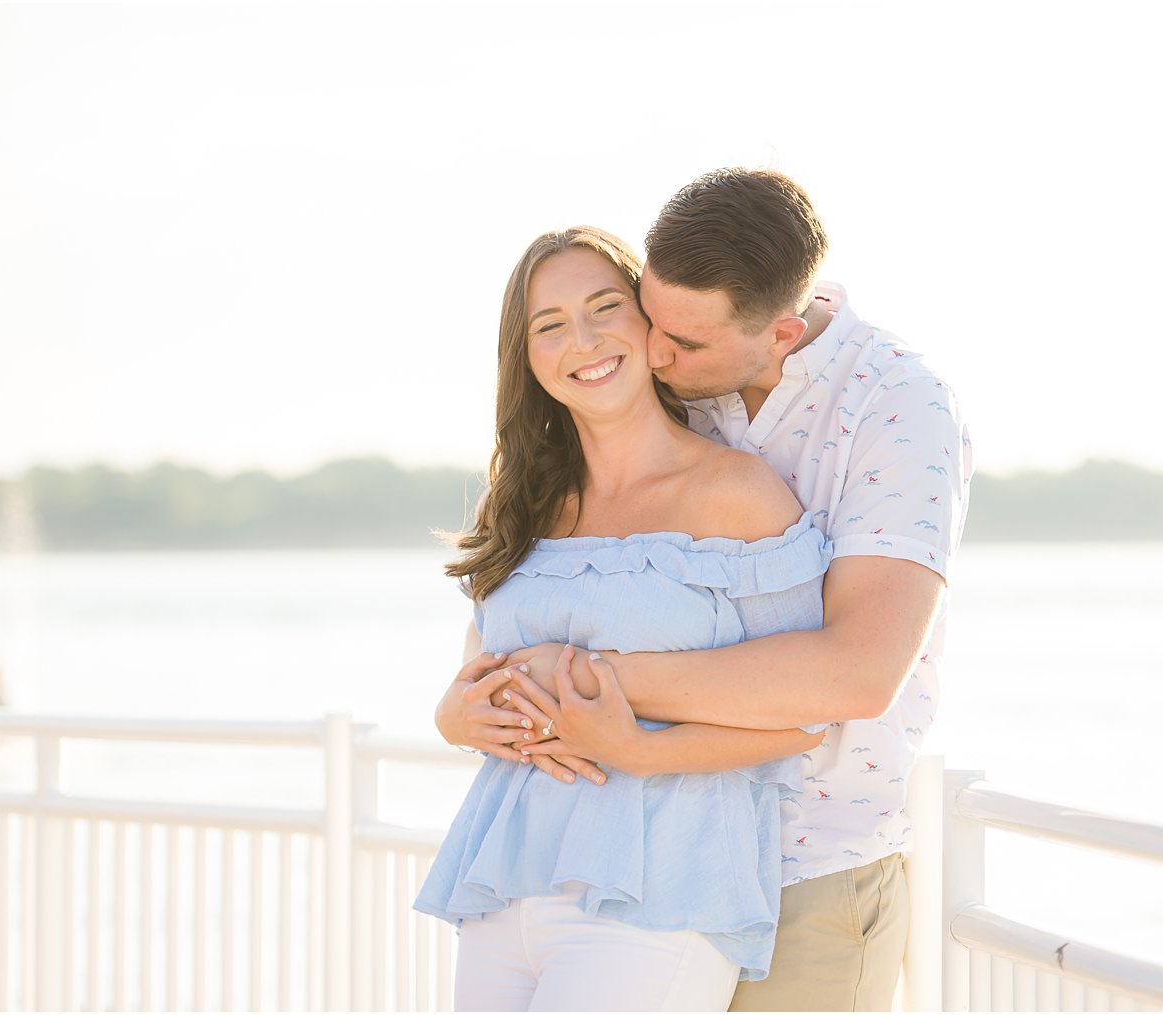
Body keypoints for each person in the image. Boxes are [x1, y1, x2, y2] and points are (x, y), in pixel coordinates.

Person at [438, 169, 973, 1012]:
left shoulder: (896, 406)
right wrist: (467, 709)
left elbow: (857, 677)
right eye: (652, 317)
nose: (653, 352)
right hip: (582, 862)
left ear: (782, 334)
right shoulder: (671, 399)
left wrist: (579, 678)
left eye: (676, 342)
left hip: (811, 860)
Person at [413, 225, 836, 1012]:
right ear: (528, 356)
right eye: (550, 324)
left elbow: (806, 717)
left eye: (606, 306)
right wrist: (450, 717)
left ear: (649, 326)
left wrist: (636, 747)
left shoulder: (737, 494)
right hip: (506, 885)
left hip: (660, 890)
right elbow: (481, 674)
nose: (584, 338)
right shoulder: (522, 505)